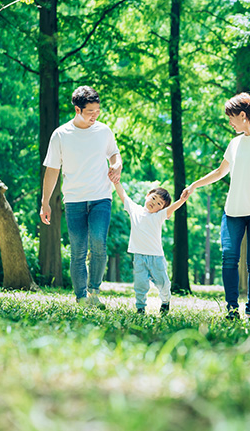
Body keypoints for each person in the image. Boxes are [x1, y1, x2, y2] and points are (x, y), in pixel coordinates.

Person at [183, 92, 250, 320]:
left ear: (243, 114)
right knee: (229, 257)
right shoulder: (235, 143)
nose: (229, 122)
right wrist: (194, 185)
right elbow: (220, 172)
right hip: (233, 211)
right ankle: (231, 309)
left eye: (231, 117)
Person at [40, 86, 122, 308]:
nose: (95, 116)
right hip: (74, 200)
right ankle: (81, 297)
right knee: (77, 251)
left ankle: (94, 291)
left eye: (98, 111)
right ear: (77, 109)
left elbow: (114, 154)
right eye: (90, 112)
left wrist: (116, 165)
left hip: (100, 197)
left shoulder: (103, 131)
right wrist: (45, 202)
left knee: (99, 242)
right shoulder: (60, 135)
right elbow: (52, 170)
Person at [114, 182, 188, 315]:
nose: (154, 203)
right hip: (139, 257)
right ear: (147, 195)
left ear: (161, 209)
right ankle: (140, 308)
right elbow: (123, 195)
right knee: (140, 285)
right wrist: (116, 182)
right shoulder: (134, 210)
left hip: (156, 258)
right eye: (153, 198)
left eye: (159, 203)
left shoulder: (158, 216)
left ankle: (165, 302)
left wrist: (182, 200)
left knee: (163, 284)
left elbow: (172, 209)